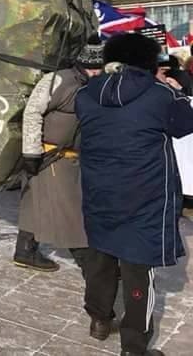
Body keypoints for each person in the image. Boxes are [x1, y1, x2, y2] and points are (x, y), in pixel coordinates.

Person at [75, 34, 193, 356]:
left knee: (100, 258)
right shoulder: (160, 95)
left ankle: (99, 319)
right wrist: (175, 91)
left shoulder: (86, 93)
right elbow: (185, 125)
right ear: (148, 61)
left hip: (99, 191)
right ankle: (134, 346)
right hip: (145, 195)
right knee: (138, 268)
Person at [14, 36, 104, 274]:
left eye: (99, 68)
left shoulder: (95, 84)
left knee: (36, 201)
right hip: (50, 155)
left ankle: (25, 251)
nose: (96, 72)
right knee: (71, 209)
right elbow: (32, 112)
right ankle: (90, 264)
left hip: (73, 156)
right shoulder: (58, 80)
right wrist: (31, 152)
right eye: (92, 68)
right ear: (81, 64)